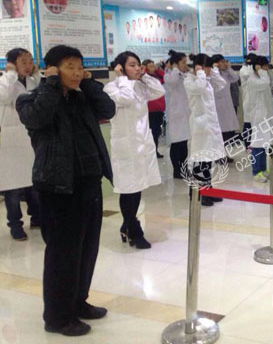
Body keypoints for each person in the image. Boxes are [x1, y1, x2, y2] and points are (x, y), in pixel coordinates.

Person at [16, 45, 115, 337]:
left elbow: (108, 109)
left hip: (89, 183)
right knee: (63, 254)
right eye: (69, 67)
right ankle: (57, 317)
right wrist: (50, 84)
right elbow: (38, 118)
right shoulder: (30, 99)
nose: (76, 72)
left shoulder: (82, 97)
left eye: (79, 67)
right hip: (58, 187)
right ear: (52, 69)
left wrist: (89, 83)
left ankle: (78, 302)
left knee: (87, 249)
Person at [104, 52, 164, 250]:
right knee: (128, 189)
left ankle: (126, 225)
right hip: (126, 147)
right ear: (120, 67)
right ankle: (134, 229)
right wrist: (122, 78)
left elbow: (159, 91)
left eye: (138, 64)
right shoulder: (111, 87)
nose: (137, 68)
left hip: (141, 145)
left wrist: (144, 75)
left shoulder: (140, 85)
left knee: (137, 188)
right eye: (132, 65)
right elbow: (126, 99)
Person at [0, 47, 41, 240]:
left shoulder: (32, 81)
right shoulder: (4, 81)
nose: (28, 65)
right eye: (23, 62)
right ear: (12, 64)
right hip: (11, 143)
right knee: (13, 188)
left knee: (33, 184)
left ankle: (37, 217)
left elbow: (42, 98)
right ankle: (15, 224)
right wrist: (9, 75)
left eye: (30, 61)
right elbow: (4, 97)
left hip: (30, 139)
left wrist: (38, 76)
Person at [185, 53, 228, 206]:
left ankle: (208, 190)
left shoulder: (206, 80)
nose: (209, 71)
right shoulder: (190, 80)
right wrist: (201, 73)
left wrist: (213, 72)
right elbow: (199, 88)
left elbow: (222, 83)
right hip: (199, 126)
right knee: (200, 161)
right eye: (208, 68)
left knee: (208, 160)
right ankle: (199, 193)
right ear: (200, 68)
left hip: (209, 125)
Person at [246, 56, 273, 182]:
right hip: (258, 115)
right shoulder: (252, 79)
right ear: (257, 67)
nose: (266, 68)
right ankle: (256, 172)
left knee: (265, 143)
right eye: (264, 66)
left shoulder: (263, 76)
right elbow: (265, 84)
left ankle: (263, 169)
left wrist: (270, 70)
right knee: (257, 144)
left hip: (266, 114)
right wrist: (262, 71)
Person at [164, 50, 191, 179]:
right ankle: (176, 169)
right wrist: (174, 69)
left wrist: (187, 72)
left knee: (184, 143)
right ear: (176, 63)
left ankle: (184, 168)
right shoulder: (169, 75)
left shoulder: (185, 75)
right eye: (183, 62)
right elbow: (173, 82)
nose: (186, 65)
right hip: (175, 114)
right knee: (176, 143)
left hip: (185, 114)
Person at [211, 54, 240, 161]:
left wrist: (229, 68)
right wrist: (215, 68)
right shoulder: (212, 73)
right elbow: (217, 81)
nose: (224, 63)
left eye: (225, 61)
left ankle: (223, 154)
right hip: (217, 106)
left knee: (227, 133)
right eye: (222, 62)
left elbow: (235, 78)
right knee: (219, 133)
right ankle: (218, 156)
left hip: (227, 105)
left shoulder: (225, 73)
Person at [142, 59, 166, 158]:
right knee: (150, 132)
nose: (153, 68)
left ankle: (155, 150)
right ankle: (150, 152)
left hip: (159, 109)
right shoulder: (145, 78)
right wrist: (144, 70)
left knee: (157, 132)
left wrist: (158, 69)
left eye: (153, 66)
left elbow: (164, 78)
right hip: (151, 110)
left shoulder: (156, 77)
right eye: (150, 66)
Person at [239, 53, 258, 149]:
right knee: (248, 122)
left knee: (254, 122)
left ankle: (254, 142)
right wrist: (251, 65)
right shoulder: (243, 70)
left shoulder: (252, 70)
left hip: (254, 100)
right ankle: (247, 144)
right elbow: (249, 75)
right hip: (247, 99)